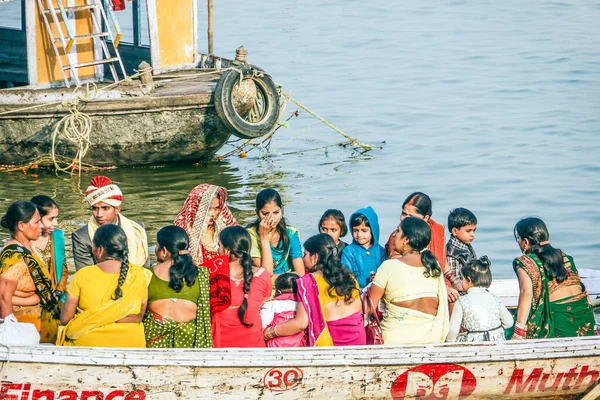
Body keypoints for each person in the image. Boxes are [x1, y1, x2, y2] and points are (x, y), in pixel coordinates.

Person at [264, 234, 365, 347]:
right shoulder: (350, 278)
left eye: (305, 254)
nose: (303, 259)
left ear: (315, 257)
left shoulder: (308, 282)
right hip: (358, 341)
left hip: (331, 345)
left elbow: (300, 323)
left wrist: (269, 332)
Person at [57, 224, 149, 347]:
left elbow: (65, 319)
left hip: (88, 344)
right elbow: (140, 315)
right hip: (131, 344)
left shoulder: (83, 274)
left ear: (100, 249)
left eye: (93, 246)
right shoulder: (141, 274)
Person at [511, 217, 596, 339]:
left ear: (525, 242)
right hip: (584, 318)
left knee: (511, 328)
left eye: (518, 239)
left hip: (558, 323)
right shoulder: (565, 257)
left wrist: (518, 333)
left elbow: (526, 293)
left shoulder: (525, 262)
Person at [368, 217, 449, 344]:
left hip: (396, 340)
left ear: (406, 240)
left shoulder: (389, 266)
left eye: (398, 231)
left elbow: (369, 307)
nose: (394, 235)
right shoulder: (434, 266)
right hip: (431, 339)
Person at [0, 201, 62, 343]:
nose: (41, 226)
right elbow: (3, 297)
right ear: (21, 226)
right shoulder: (13, 257)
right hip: (25, 326)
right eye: (37, 222)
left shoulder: (27, 248)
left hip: (40, 320)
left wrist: (36, 298)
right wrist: (10, 333)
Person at [174, 184, 239, 316]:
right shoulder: (183, 233)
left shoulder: (226, 228)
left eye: (216, 208)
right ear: (196, 209)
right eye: (208, 209)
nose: (213, 214)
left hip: (228, 286)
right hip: (197, 288)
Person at [143, 226, 212, 348]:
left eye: (157, 246)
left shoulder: (146, 274)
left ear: (164, 250)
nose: (155, 249)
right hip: (190, 343)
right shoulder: (202, 274)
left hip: (155, 344)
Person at [386, 192, 462, 300]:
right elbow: (401, 271)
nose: (405, 219)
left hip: (435, 280)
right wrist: (442, 288)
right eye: (403, 213)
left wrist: (456, 282)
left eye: (411, 216)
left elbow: (442, 264)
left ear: (426, 218)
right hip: (410, 285)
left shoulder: (436, 231)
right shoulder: (398, 236)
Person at [72, 175, 149, 271]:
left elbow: (146, 270)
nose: (99, 214)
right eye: (95, 208)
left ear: (117, 209)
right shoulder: (82, 237)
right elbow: (85, 276)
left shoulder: (137, 229)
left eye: (105, 208)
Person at [212, 226, 271, 347]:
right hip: (254, 347)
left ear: (227, 251)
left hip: (219, 347)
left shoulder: (212, 274)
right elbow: (264, 303)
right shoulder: (263, 275)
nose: (218, 250)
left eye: (219, 246)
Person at [446, 256, 513, 342]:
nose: (461, 282)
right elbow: (509, 322)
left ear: (469, 280)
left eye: (462, 279)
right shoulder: (495, 299)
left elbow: (453, 330)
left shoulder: (462, 302)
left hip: (473, 346)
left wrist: (449, 344)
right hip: (496, 344)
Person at [247, 188, 304, 276]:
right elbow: (267, 273)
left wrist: (275, 279)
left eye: (276, 212)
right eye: (265, 214)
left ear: (282, 211)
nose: (271, 218)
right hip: (265, 284)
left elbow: (300, 273)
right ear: (257, 213)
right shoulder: (250, 235)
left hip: (289, 284)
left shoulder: (291, 233)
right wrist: (264, 236)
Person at [30, 195, 68, 304]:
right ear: (37, 218)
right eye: (51, 219)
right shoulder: (25, 241)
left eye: (56, 218)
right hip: (32, 297)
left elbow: (63, 270)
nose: (56, 223)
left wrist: (59, 292)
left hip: (57, 295)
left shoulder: (57, 237)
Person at [340, 207, 385, 289]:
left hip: (377, 292)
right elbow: (346, 277)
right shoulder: (348, 252)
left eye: (364, 231)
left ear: (373, 231)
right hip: (356, 293)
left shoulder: (382, 252)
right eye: (355, 230)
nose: (359, 234)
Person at [260, 272, 306, 347]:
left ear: (278, 292)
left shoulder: (272, 305)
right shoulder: (303, 306)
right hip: (299, 348)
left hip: (275, 349)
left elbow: (261, 325)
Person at [446, 207, 478, 281]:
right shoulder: (452, 254)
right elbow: (455, 279)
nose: (472, 234)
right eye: (468, 231)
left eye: (474, 230)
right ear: (455, 231)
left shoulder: (465, 245)